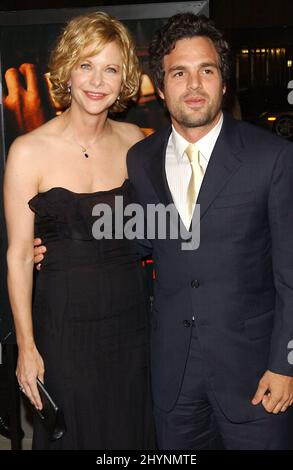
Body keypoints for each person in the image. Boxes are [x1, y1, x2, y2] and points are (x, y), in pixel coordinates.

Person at [34, 13, 293, 450]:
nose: (194, 86)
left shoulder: (272, 157)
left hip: (256, 378)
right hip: (171, 380)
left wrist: (286, 364)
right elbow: (134, 235)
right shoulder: (141, 158)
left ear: (223, 82)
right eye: (179, 73)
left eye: (206, 71)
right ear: (162, 83)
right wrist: (60, 246)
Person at [4, 11, 155, 450]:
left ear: (124, 79)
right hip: (64, 329)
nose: (97, 80)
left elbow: (159, 227)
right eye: (86, 64)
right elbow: (17, 254)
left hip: (132, 325)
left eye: (110, 68)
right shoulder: (28, 151)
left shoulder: (137, 143)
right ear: (68, 69)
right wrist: (27, 348)